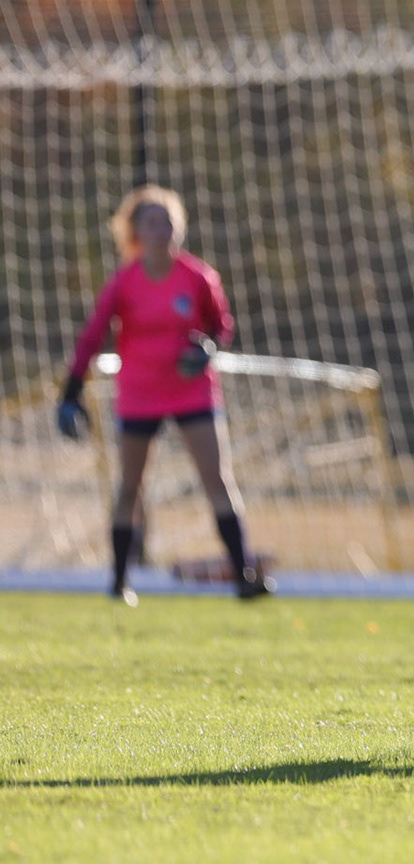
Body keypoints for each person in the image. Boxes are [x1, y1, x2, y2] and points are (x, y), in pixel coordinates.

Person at [56, 185, 273, 603]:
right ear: (136, 230)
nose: (161, 229)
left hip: (192, 392)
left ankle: (243, 576)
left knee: (217, 479)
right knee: (130, 487)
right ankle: (120, 583)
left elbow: (220, 326)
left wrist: (208, 346)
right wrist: (71, 390)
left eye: (168, 221)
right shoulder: (124, 283)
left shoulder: (198, 277)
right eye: (152, 221)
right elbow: (91, 337)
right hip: (139, 393)